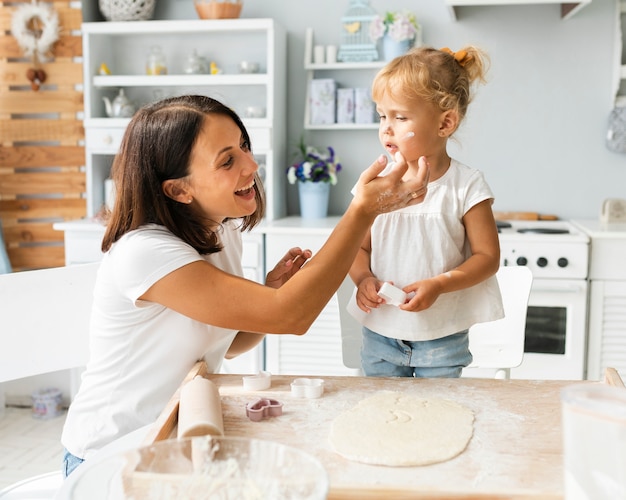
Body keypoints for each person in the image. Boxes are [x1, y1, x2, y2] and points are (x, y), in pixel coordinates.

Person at [61, 95, 429, 477]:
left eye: (244, 146)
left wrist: (268, 293)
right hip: (112, 457)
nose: (251, 165)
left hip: (178, 436)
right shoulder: (145, 252)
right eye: (227, 160)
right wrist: (363, 211)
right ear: (178, 190)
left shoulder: (220, 228)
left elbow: (232, 343)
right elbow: (292, 316)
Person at [347, 46, 504, 378]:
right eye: (382, 116)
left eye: (400, 117)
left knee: (439, 420)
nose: (386, 128)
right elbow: (356, 247)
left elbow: (487, 257)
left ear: (445, 122)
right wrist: (363, 278)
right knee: (382, 417)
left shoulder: (466, 186)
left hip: (442, 339)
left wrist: (440, 284)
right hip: (380, 335)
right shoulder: (375, 186)